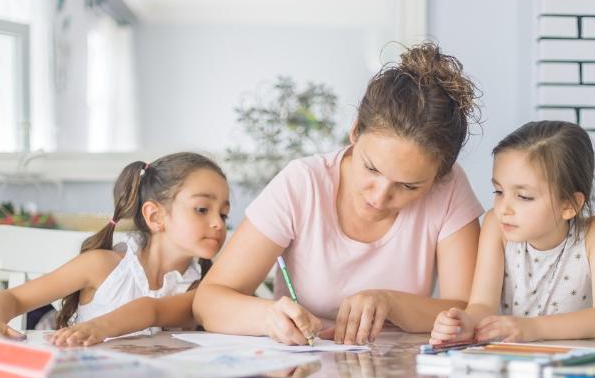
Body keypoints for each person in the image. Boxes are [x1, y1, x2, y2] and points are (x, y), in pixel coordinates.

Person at [195, 42, 485, 346]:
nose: (381, 196)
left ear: (439, 176)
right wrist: (268, 317)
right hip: (305, 375)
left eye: (408, 186)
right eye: (371, 169)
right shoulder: (303, 183)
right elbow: (208, 303)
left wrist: (390, 302)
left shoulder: (450, 188)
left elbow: (464, 309)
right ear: (355, 131)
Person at [0, 152, 230, 346]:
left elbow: (151, 310)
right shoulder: (102, 265)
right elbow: (12, 299)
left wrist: (100, 328)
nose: (218, 223)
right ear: (155, 217)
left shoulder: (202, 287)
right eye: (202, 209)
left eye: (224, 214)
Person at [429, 121, 595, 345]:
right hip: (512, 364)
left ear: (569, 205)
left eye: (523, 197)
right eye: (499, 191)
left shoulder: (594, 233)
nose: (504, 208)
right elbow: (483, 304)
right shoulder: (495, 225)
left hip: (569, 364)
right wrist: (466, 322)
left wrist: (533, 328)